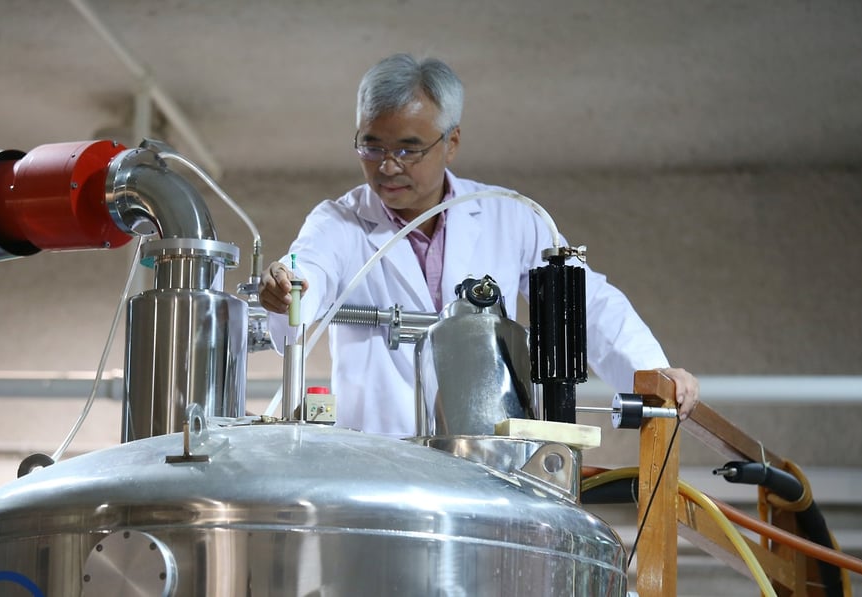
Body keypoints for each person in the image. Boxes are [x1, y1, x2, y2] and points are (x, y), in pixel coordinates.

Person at [259, 53, 698, 437]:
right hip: (377, 460)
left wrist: (652, 373)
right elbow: (307, 267)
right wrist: (288, 287)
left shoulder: (508, 215)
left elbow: (586, 302)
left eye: (408, 150)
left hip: (483, 456)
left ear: (451, 143)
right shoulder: (338, 222)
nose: (387, 167)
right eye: (371, 148)